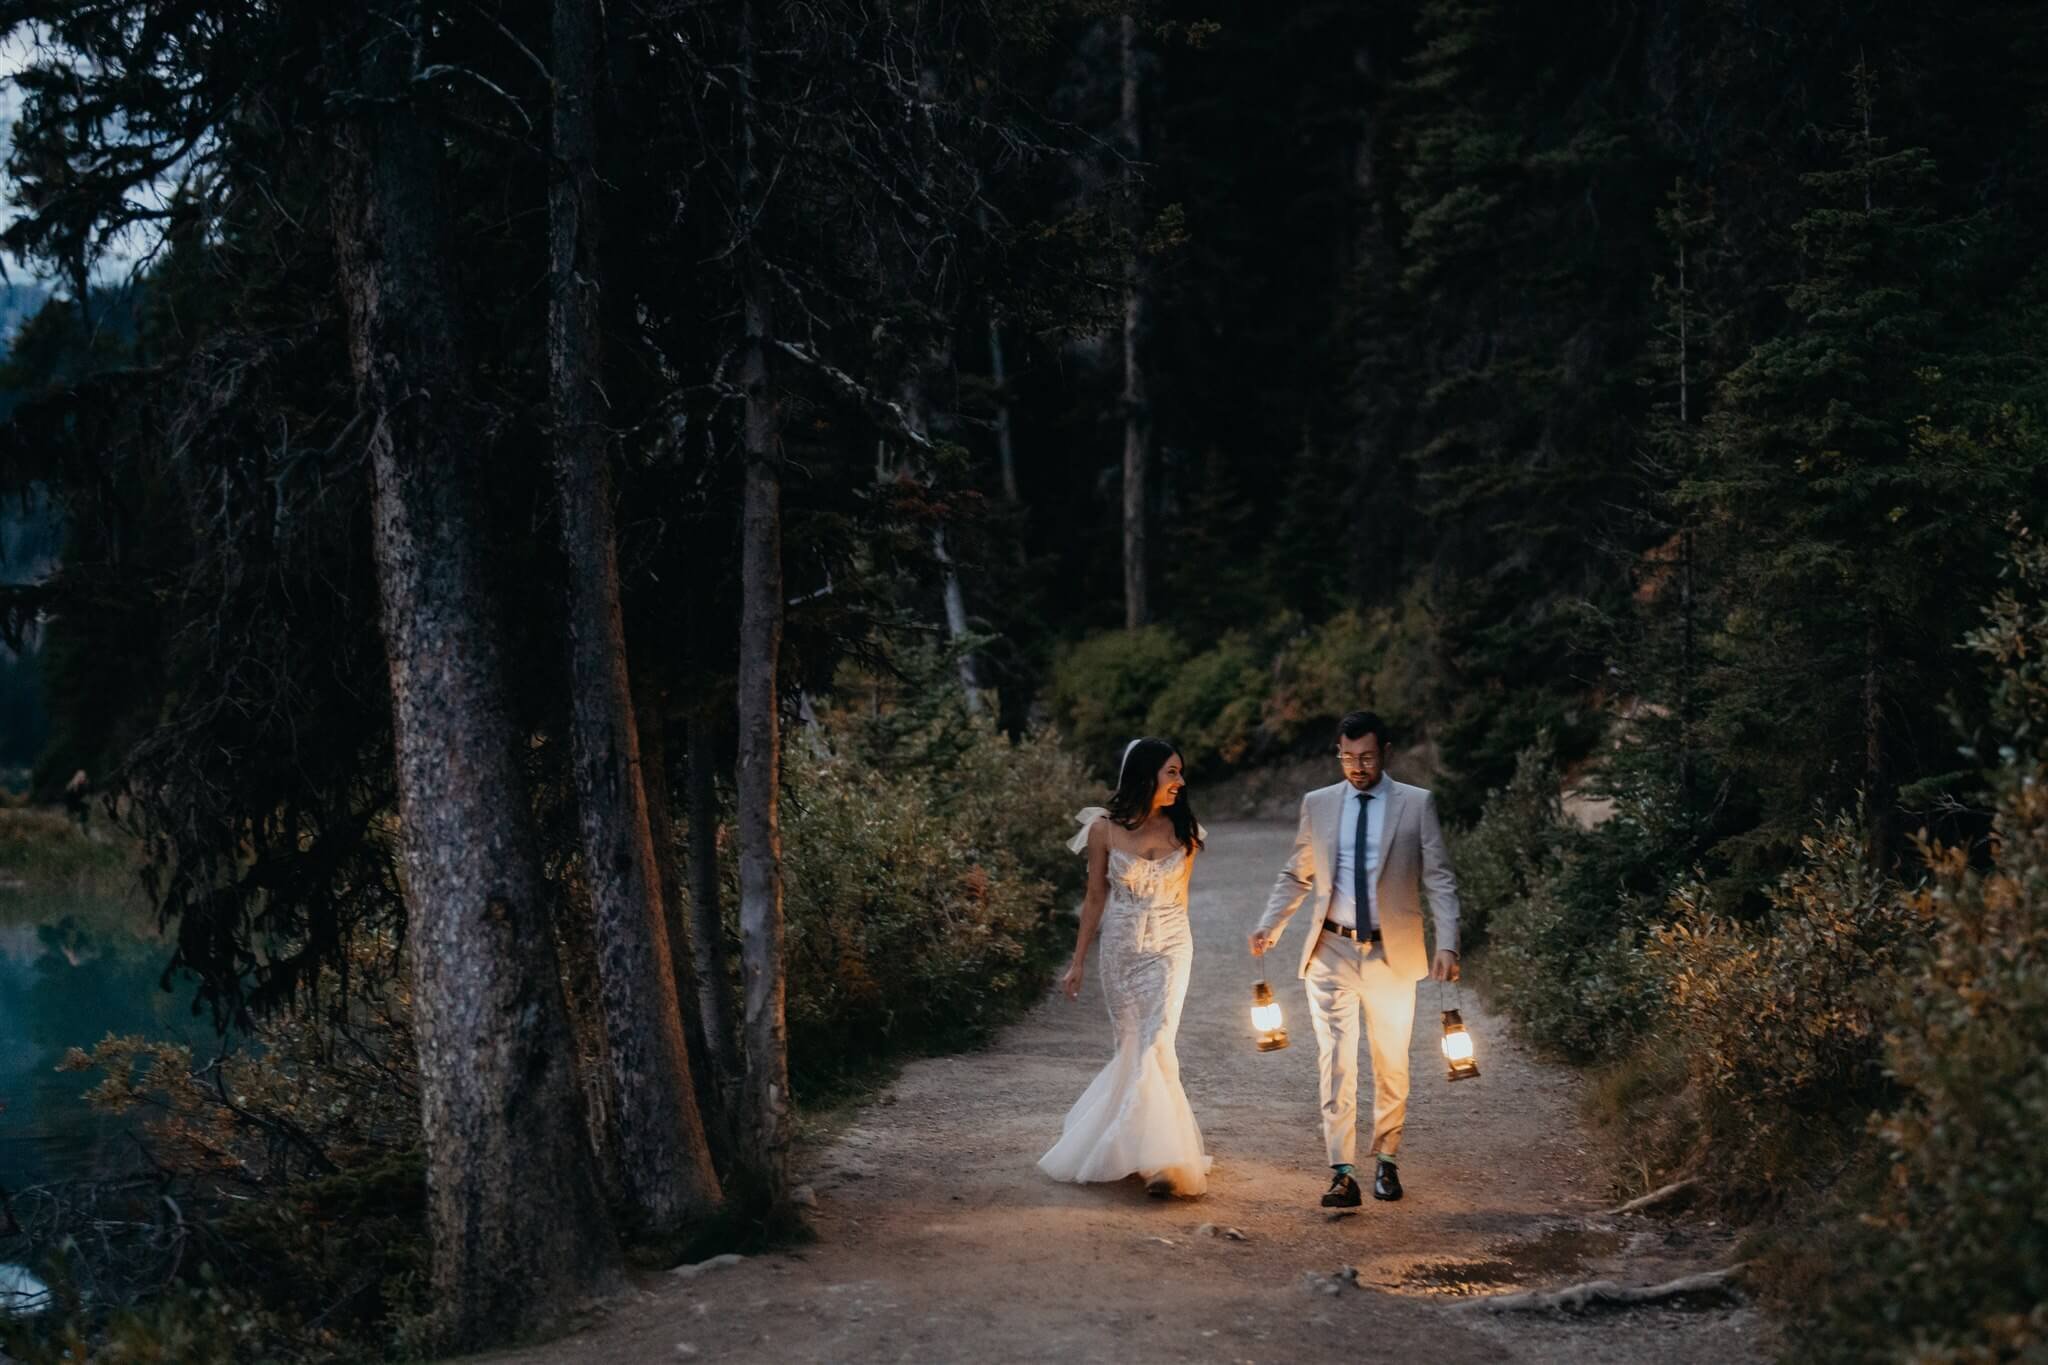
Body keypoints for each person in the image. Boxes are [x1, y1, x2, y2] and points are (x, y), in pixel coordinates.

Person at [1248, 710, 1461, 1208]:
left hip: (1392, 952)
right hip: (1331, 951)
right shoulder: (1318, 805)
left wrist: (1447, 942)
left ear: (1385, 752)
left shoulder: (1416, 804)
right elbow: (1297, 873)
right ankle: (1341, 1173)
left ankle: (1387, 1161)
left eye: (1366, 757)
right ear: (1338, 754)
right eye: (1347, 757)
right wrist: (1270, 923)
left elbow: (1440, 879)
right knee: (1336, 1061)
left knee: (1391, 1062)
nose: (1357, 767)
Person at [1039, 737, 1211, 1198]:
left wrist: (1175, 947)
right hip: (1120, 950)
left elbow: (1182, 899)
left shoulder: (1185, 829)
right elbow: (1095, 897)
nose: (1180, 781)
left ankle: (1162, 1162)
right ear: (1146, 774)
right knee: (1132, 1045)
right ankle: (1133, 1146)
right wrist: (1077, 962)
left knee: (1158, 1041)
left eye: (1180, 772)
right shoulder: (1104, 831)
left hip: (1172, 945)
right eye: (1171, 772)